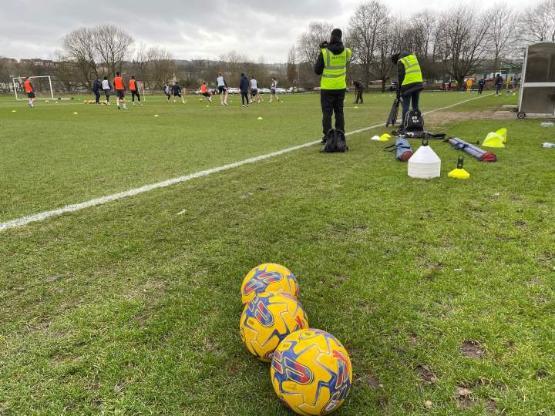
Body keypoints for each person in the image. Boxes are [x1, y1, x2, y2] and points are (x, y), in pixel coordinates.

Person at [314, 28, 352, 142]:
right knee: (339, 112)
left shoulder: (325, 52)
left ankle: (327, 136)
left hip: (327, 87)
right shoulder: (347, 52)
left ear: (331, 37)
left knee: (327, 114)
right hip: (340, 87)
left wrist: (323, 49)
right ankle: (340, 135)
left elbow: (317, 70)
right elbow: (343, 58)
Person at [391, 51, 424, 129]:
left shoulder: (401, 61)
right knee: (415, 105)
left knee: (406, 106)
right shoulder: (413, 57)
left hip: (408, 84)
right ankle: (417, 122)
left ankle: (404, 123)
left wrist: (399, 90)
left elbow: (401, 76)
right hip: (418, 83)